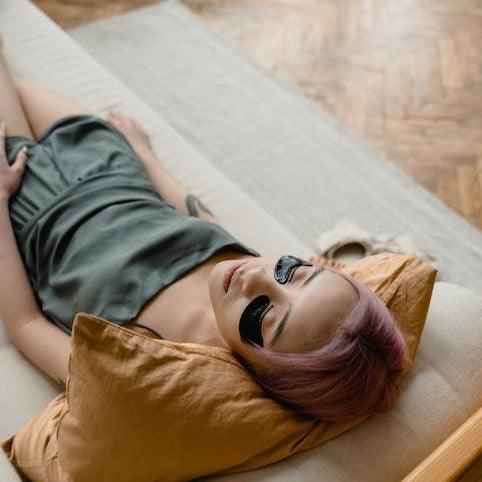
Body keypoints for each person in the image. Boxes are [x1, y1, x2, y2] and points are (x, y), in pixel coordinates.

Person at [0, 44, 407, 423]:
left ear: (266, 376)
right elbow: (193, 213)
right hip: (109, 164)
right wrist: (143, 153)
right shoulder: (243, 272)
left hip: (28, 205)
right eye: (290, 270)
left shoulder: (146, 364)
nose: (256, 276)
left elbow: (25, 324)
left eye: (261, 314)